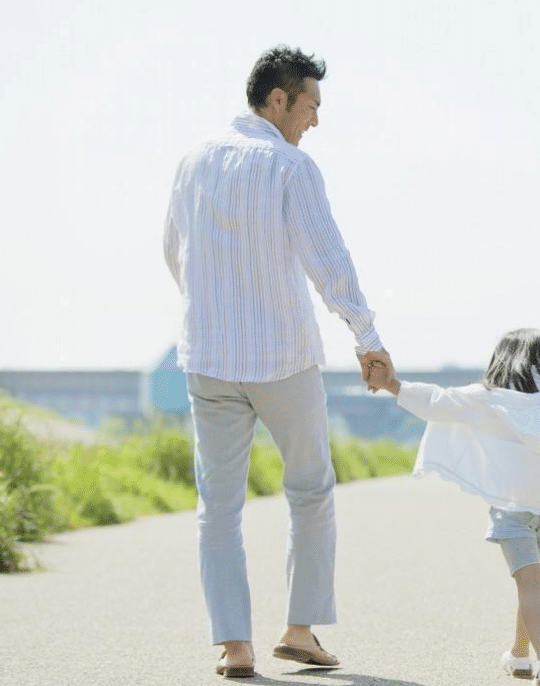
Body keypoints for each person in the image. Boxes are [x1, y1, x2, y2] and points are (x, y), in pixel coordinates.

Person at [163, 45, 394, 678]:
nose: (315, 119)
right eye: (311, 105)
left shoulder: (192, 161)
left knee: (218, 507)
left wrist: (210, 311)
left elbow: (174, 251)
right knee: (311, 489)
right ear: (278, 99)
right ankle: (299, 629)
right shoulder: (290, 166)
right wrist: (367, 337)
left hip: (209, 359)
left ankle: (234, 646)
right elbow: (328, 260)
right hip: (283, 357)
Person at [366, 328, 540, 686]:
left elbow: (438, 401)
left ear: (503, 362)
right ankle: (521, 655)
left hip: (512, 512)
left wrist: (393, 385)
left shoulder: (491, 400)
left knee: (530, 587)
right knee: (532, 586)